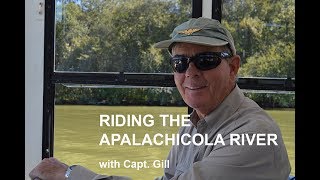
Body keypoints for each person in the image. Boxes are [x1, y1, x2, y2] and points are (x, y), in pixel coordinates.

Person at [29, 17, 291, 180]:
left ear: (233, 68)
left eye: (206, 60)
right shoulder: (192, 126)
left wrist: (70, 174)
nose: (190, 72)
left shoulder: (255, 135)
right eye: (180, 62)